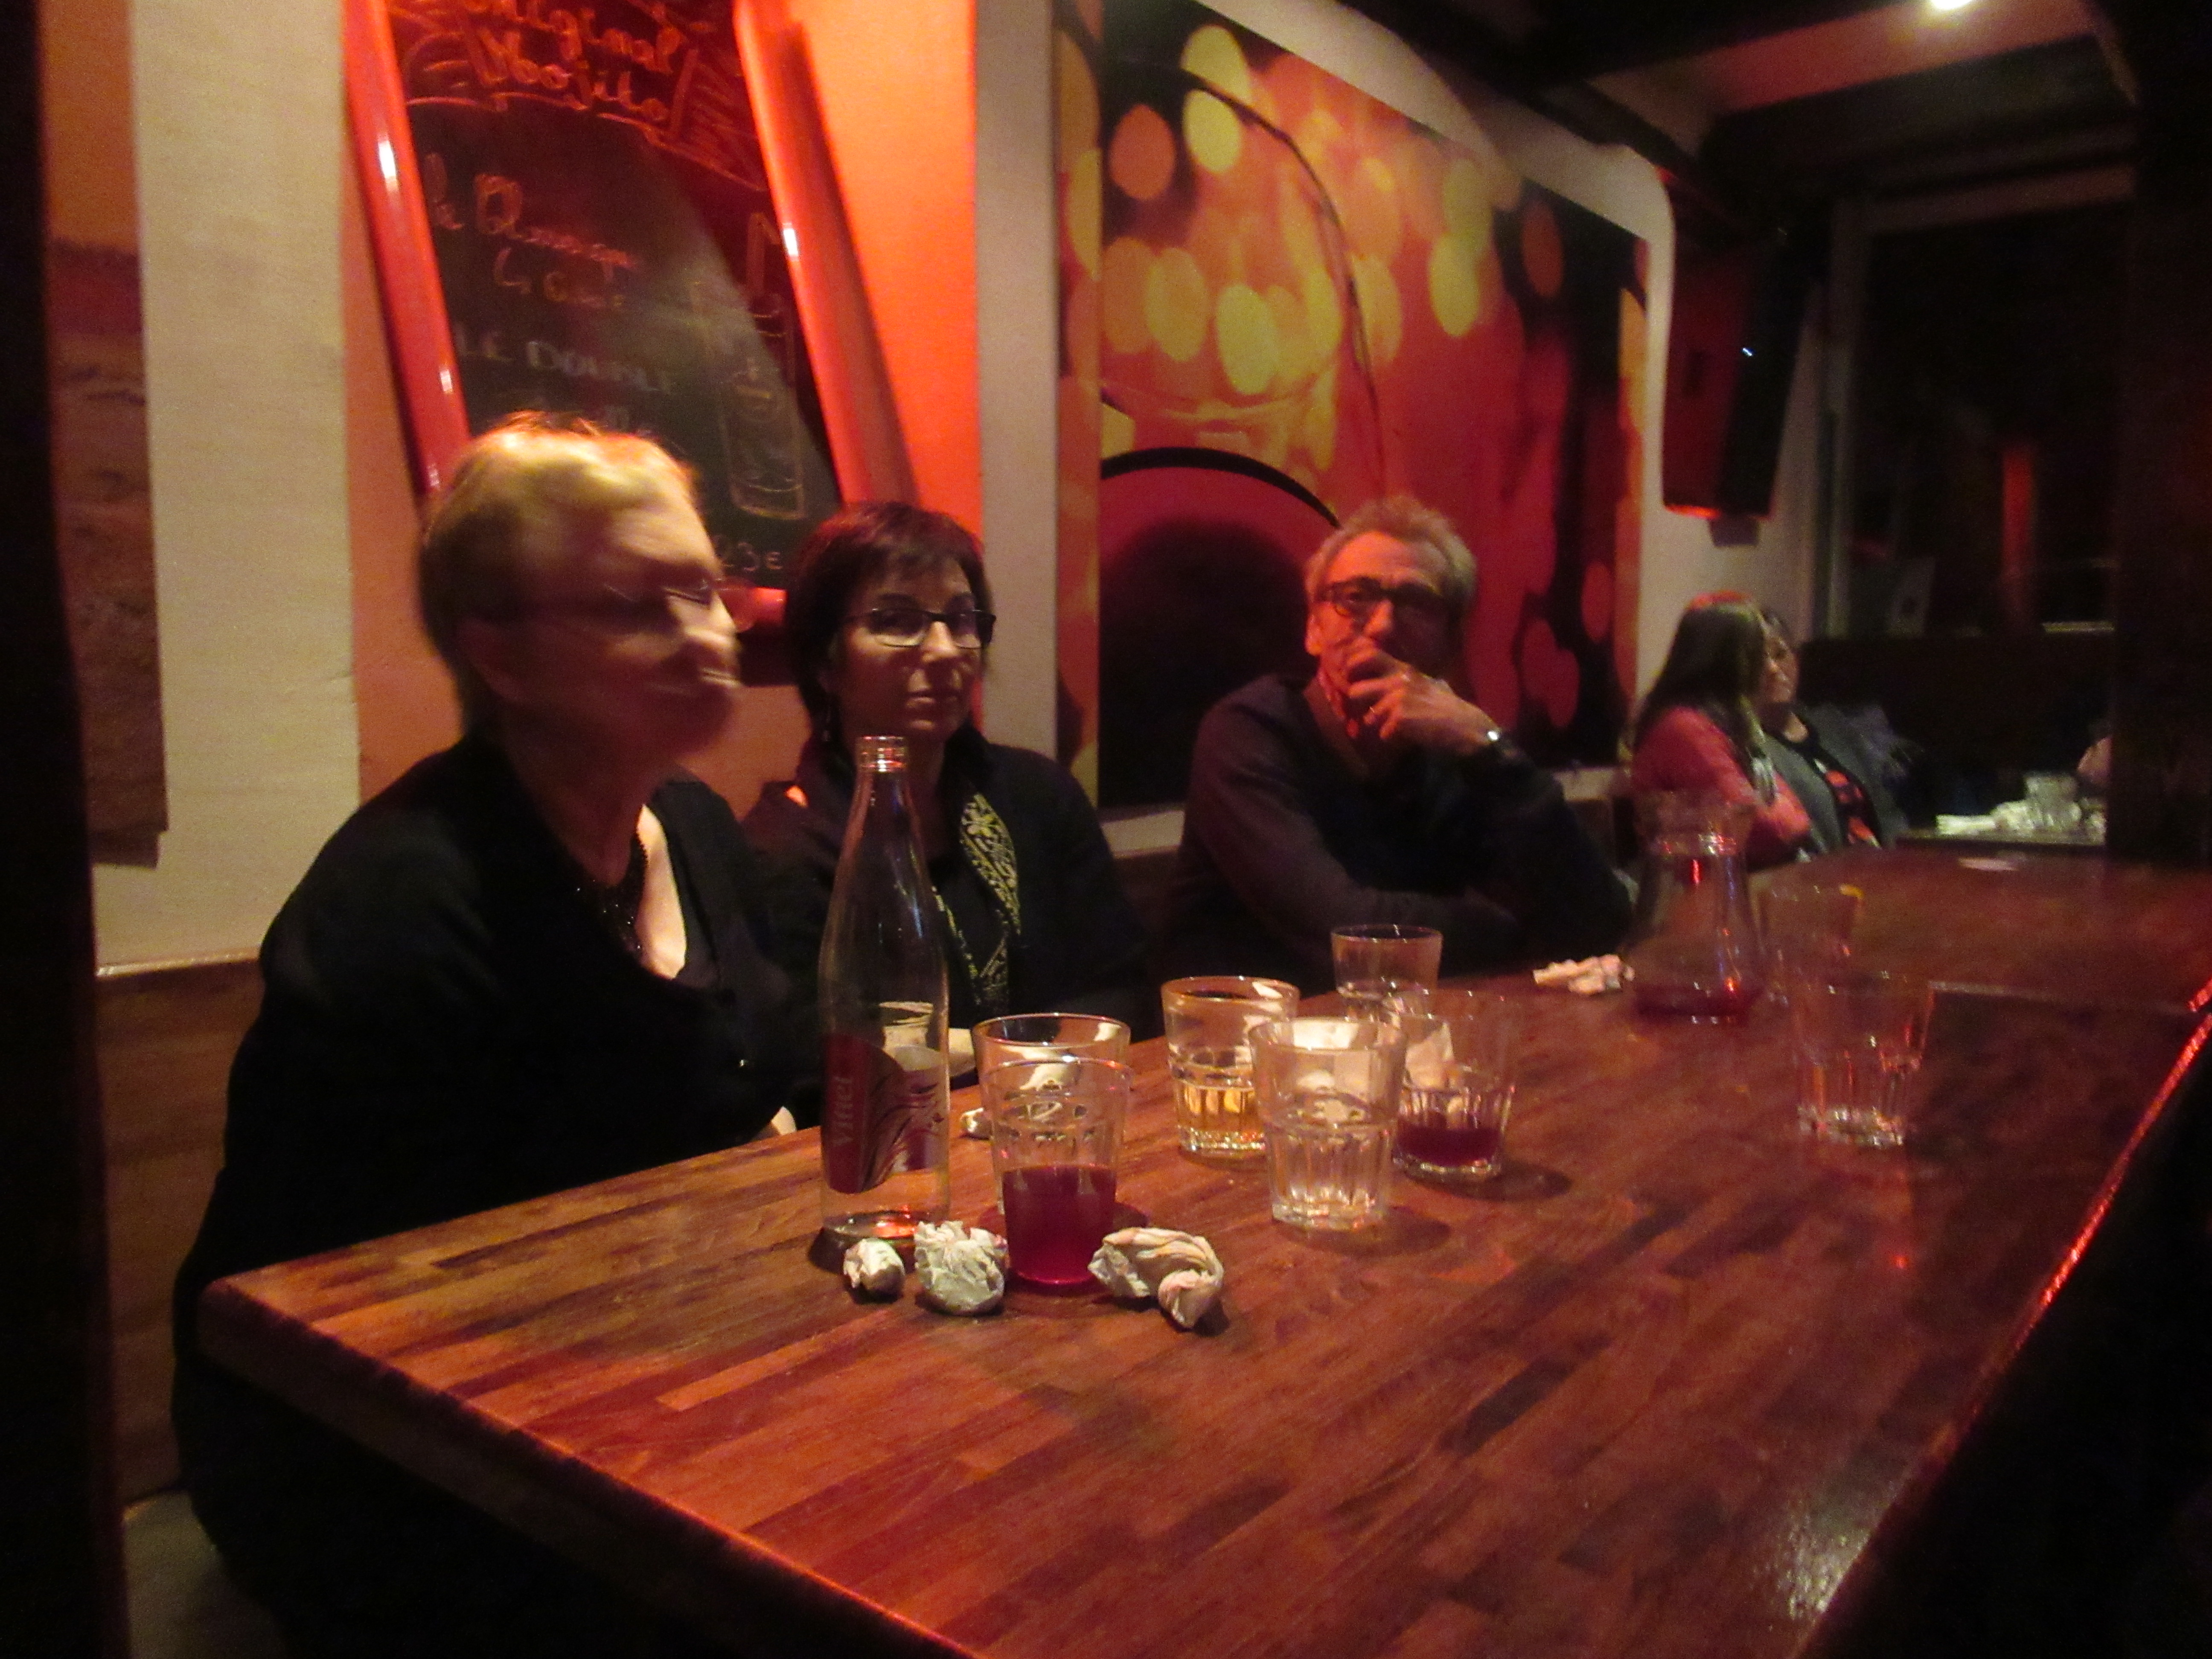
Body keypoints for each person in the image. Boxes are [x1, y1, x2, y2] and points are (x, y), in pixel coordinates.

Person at [172, 415, 796, 1658]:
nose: (704, 633)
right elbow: (375, 1314)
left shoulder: (694, 828)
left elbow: (759, 1090)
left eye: (704, 588)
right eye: (635, 605)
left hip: (642, 1377)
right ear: (498, 655)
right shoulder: (406, 902)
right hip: (377, 1459)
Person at [744, 501, 1149, 1080]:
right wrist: (1015, 1060)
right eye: (896, 620)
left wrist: (1033, 1074)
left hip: (1058, 1111)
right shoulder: (784, 851)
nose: (943, 650)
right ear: (824, 663)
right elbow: (819, 1060)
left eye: (960, 620)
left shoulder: (1037, 795)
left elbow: (1120, 985)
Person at [1161, 495, 1631, 992]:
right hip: (1243, 1029)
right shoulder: (1249, 731)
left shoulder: (1450, 751)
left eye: (1416, 603)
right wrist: (1513, 930)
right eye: (1355, 597)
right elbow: (1341, 934)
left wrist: (1491, 750)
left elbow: (1598, 923)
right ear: (1314, 629)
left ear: (1451, 645)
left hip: (1401, 1025)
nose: (1383, 625)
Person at [1627, 594, 1814, 869]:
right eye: (1757, 656)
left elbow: (1792, 815)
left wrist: (1788, 818)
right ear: (1721, 661)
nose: (1773, 668)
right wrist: (1787, 818)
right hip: (1696, 887)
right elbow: (1766, 832)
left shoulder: (1727, 724)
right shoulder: (1684, 729)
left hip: (1735, 881)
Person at [1752, 608, 1906, 852]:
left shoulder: (1832, 726)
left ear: (1797, 659)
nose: (1773, 668)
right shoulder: (1752, 746)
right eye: (1758, 661)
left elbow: (1886, 810)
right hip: (1825, 870)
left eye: (1781, 654)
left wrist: (1903, 857)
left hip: (1884, 863)